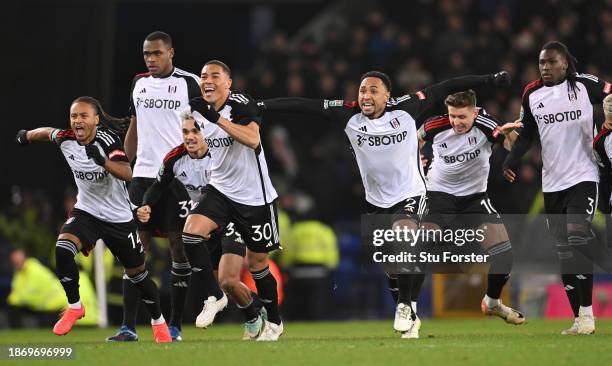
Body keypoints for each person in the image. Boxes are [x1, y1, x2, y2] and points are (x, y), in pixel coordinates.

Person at [259, 70, 511, 338]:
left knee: (405, 236)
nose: (366, 95)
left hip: (411, 193)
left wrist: (489, 79)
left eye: (373, 90)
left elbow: (445, 85)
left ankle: (405, 306)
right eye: (362, 90)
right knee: (391, 265)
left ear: (387, 95)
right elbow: (304, 106)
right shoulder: (348, 114)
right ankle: (410, 315)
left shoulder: (407, 108)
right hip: (376, 200)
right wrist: (263, 105)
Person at [15, 96, 171, 342]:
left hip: (118, 218)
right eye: (74, 116)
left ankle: (158, 322)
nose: (78, 120)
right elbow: (47, 133)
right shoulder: (66, 139)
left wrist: (102, 161)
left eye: (83, 115)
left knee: (138, 275)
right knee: (63, 248)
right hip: (87, 212)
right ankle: (75, 306)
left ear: (96, 120)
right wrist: (26, 136)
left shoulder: (108, 141)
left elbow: (127, 173)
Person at [504, 41, 612, 335]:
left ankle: (588, 315)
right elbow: (527, 134)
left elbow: (610, 93)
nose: (546, 68)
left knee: (578, 237)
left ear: (565, 63)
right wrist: (510, 160)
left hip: (584, 174)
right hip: (552, 182)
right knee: (564, 251)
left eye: (551, 62)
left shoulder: (584, 85)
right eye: (542, 63)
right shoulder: (532, 93)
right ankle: (579, 319)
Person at [109, 31, 202, 342]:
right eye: (147, 54)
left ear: (171, 52)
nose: (150, 59)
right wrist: (124, 163)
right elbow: (135, 125)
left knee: (178, 247)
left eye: (157, 53)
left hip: (178, 178)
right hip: (144, 175)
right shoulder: (139, 83)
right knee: (136, 250)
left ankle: (175, 325)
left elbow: (206, 126)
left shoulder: (190, 84)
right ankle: (128, 327)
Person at [135, 112, 262, 333]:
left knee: (228, 280)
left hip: (232, 218)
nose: (190, 136)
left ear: (207, 132)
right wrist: (146, 204)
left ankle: (243, 311)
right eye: (185, 131)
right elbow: (157, 186)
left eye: (196, 131)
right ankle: (255, 312)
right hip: (207, 223)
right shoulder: (174, 158)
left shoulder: (220, 155)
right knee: (223, 283)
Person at [186, 60, 283, 341]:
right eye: (203, 76)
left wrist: (216, 119)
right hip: (220, 191)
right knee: (191, 236)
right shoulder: (197, 109)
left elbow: (253, 139)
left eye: (215, 76)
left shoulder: (241, 104)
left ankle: (274, 321)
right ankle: (217, 297)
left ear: (228, 83)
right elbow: (203, 144)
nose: (207, 80)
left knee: (258, 264)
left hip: (255, 199)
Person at [418, 89, 525, 326]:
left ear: (474, 112)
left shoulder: (488, 124)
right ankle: (408, 308)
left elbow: (514, 148)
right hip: (439, 196)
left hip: (475, 198)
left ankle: (493, 302)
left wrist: (511, 135)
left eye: (462, 117)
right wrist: (416, 160)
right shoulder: (435, 125)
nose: (456, 122)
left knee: (504, 256)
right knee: (421, 247)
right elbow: (412, 142)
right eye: (453, 116)